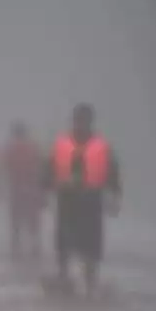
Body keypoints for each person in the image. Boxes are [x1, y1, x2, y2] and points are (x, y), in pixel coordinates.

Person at [43, 103, 122, 296]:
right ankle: (66, 280)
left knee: (90, 249)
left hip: (89, 204)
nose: (80, 124)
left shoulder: (100, 147)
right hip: (69, 202)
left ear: (90, 122)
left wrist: (115, 198)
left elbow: (112, 175)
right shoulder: (62, 146)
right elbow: (47, 173)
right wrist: (47, 190)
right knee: (65, 247)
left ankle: (89, 284)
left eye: (83, 120)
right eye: (78, 120)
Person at [0, 120, 46, 264]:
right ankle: (35, 247)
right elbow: (41, 169)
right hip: (32, 189)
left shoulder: (10, 149)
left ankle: (16, 248)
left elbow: (4, 169)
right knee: (33, 222)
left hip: (16, 189)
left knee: (16, 221)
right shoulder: (34, 148)